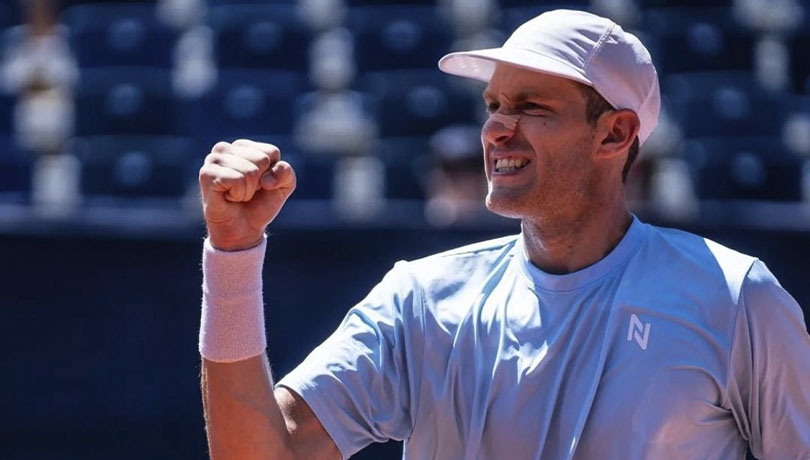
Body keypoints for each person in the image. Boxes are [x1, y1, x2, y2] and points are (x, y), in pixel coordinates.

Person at [196, 9, 810, 460]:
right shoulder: (421, 298)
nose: (495, 130)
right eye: (494, 105)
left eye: (533, 108)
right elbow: (258, 456)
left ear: (615, 135)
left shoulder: (736, 297)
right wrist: (232, 255)